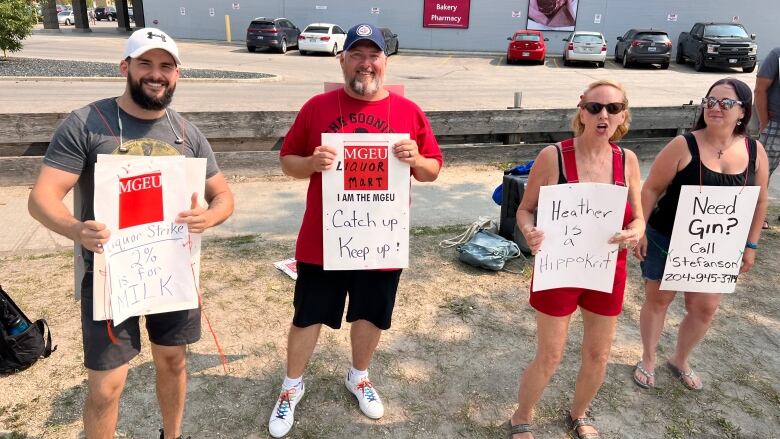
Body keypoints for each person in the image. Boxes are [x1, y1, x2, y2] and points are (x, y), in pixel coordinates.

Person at [27, 28, 234, 439]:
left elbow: (224, 195)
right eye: (145, 64)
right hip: (111, 275)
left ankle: (171, 435)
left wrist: (209, 218)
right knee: (107, 384)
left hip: (171, 273)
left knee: (173, 360)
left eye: (166, 66)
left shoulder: (186, 133)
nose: (156, 74)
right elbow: (42, 198)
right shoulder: (87, 123)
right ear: (125, 67)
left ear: (177, 75)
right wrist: (75, 229)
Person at [267, 23, 442, 438]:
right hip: (322, 240)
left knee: (371, 313)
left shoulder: (408, 112)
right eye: (357, 55)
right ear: (342, 59)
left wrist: (417, 159)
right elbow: (287, 160)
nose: (365, 63)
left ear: (385, 61)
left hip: (380, 237)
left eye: (373, 55)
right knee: (308, 315)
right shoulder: (317, 107)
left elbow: (433, 170)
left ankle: (358, 376)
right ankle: (292, 385)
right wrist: (310, 163)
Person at [508, 80, 644, 439]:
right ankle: (521, 418)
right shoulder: (554, 156)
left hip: (606, 269)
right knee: (550, 355)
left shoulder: (627, 160)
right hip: (561, 268)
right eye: (595, 107)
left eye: (612, 108)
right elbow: (525, 211)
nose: (603, 115)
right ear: (581, 110)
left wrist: (635, 231)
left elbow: (639, 217)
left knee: (599, 355)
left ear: (623, 115)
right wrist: (529, 231)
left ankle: (578, 414)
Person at [632, 78, 768, 391]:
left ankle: (680, 359)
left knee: (704, 307)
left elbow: (760, 199)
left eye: (725, 103)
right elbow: (652, 188)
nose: (715, 108)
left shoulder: (754, 150)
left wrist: (751, 245)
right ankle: (649, 358)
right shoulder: (684, 145)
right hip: (667, 236)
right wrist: (640, 228)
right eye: (710, 101)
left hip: (719, 246)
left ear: (743, 112)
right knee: (660, 298)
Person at [754, 46, 780, 228]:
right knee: (763, 171)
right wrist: (764, 122)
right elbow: (760, 89)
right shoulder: (777, 54)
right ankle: (755, 216)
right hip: (775, 124)